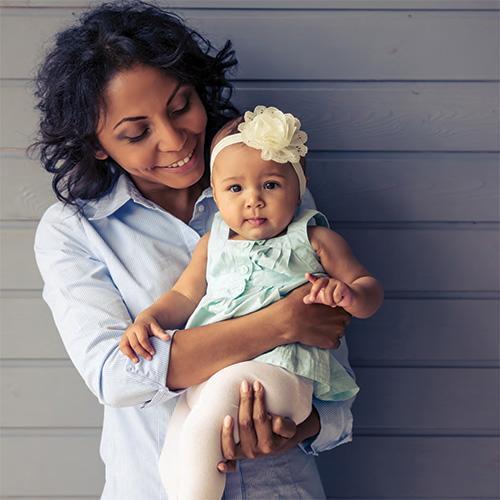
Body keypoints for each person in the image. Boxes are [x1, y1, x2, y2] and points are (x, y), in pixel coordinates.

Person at [32, 2, 359, 499]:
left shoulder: (268, 190)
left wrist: (303, 427)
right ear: (98, 144)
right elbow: (119, 375)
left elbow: (330, 348)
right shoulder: (76, 231)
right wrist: (278, 323)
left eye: (181, 105)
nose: (174, 139)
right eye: (136, 133)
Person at [119, 105, 383, 500]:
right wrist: (149, 317)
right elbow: (185, 295)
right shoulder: (214, 243)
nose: (253, 201)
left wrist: (349, 295)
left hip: (281, 373)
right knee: (176, 443)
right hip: (209, 377)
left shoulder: (312, 239)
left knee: (203, 431)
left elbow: (367, 287)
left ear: (299, 185)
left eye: (271, 185)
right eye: (235, 188)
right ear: (216, 192)